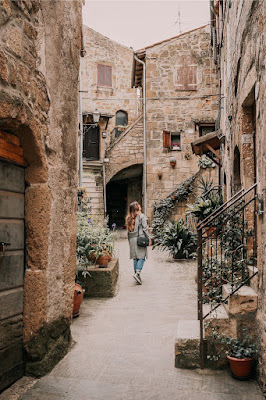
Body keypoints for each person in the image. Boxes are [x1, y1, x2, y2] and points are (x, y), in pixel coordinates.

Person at [125, 201, 150, 285]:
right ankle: (137, 273)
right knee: (142, 257)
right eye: (138, 205)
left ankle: (137, 275)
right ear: (136, 208)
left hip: (131, 240)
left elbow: (128, 232)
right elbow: (145, 228)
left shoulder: (128, 218)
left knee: (135, 257)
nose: (140, 205)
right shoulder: (141, 216)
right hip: (140, 239)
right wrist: (148, 238)